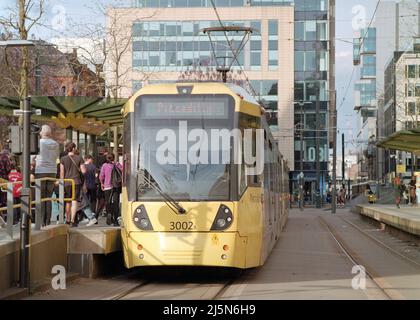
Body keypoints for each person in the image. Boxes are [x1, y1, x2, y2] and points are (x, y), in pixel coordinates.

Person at [35, 125, 59, 227]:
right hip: (52, 171)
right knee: (48, 197)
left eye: (40, 132)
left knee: (40, 197)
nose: (39, 133)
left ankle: (40, 221)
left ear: (42, 133)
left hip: (40, 170)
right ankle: (47, 221)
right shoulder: (56, 144)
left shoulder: (39, 143)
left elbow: (32, 157)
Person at [60, 142, 86, 227]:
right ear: (74, 148)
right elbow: (83, 171)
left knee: (68, 202)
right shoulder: (79, 158)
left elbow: (62, 173)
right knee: (74, 201)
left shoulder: (63, 159)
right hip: (76, 182)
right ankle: (72, 220)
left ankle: (67, 220)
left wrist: (61, 183)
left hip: (67, 182)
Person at [99, 153, 122, 226]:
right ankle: (116, 220)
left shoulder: (104, 166)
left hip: (107, 186)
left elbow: (101, 176)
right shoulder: (117, 164)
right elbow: (123, 171)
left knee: (107, 201)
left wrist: (102, 183)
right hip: (116, 186)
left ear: (107, 158)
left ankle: (109, 214)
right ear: (114, 158)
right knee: (116, 202)